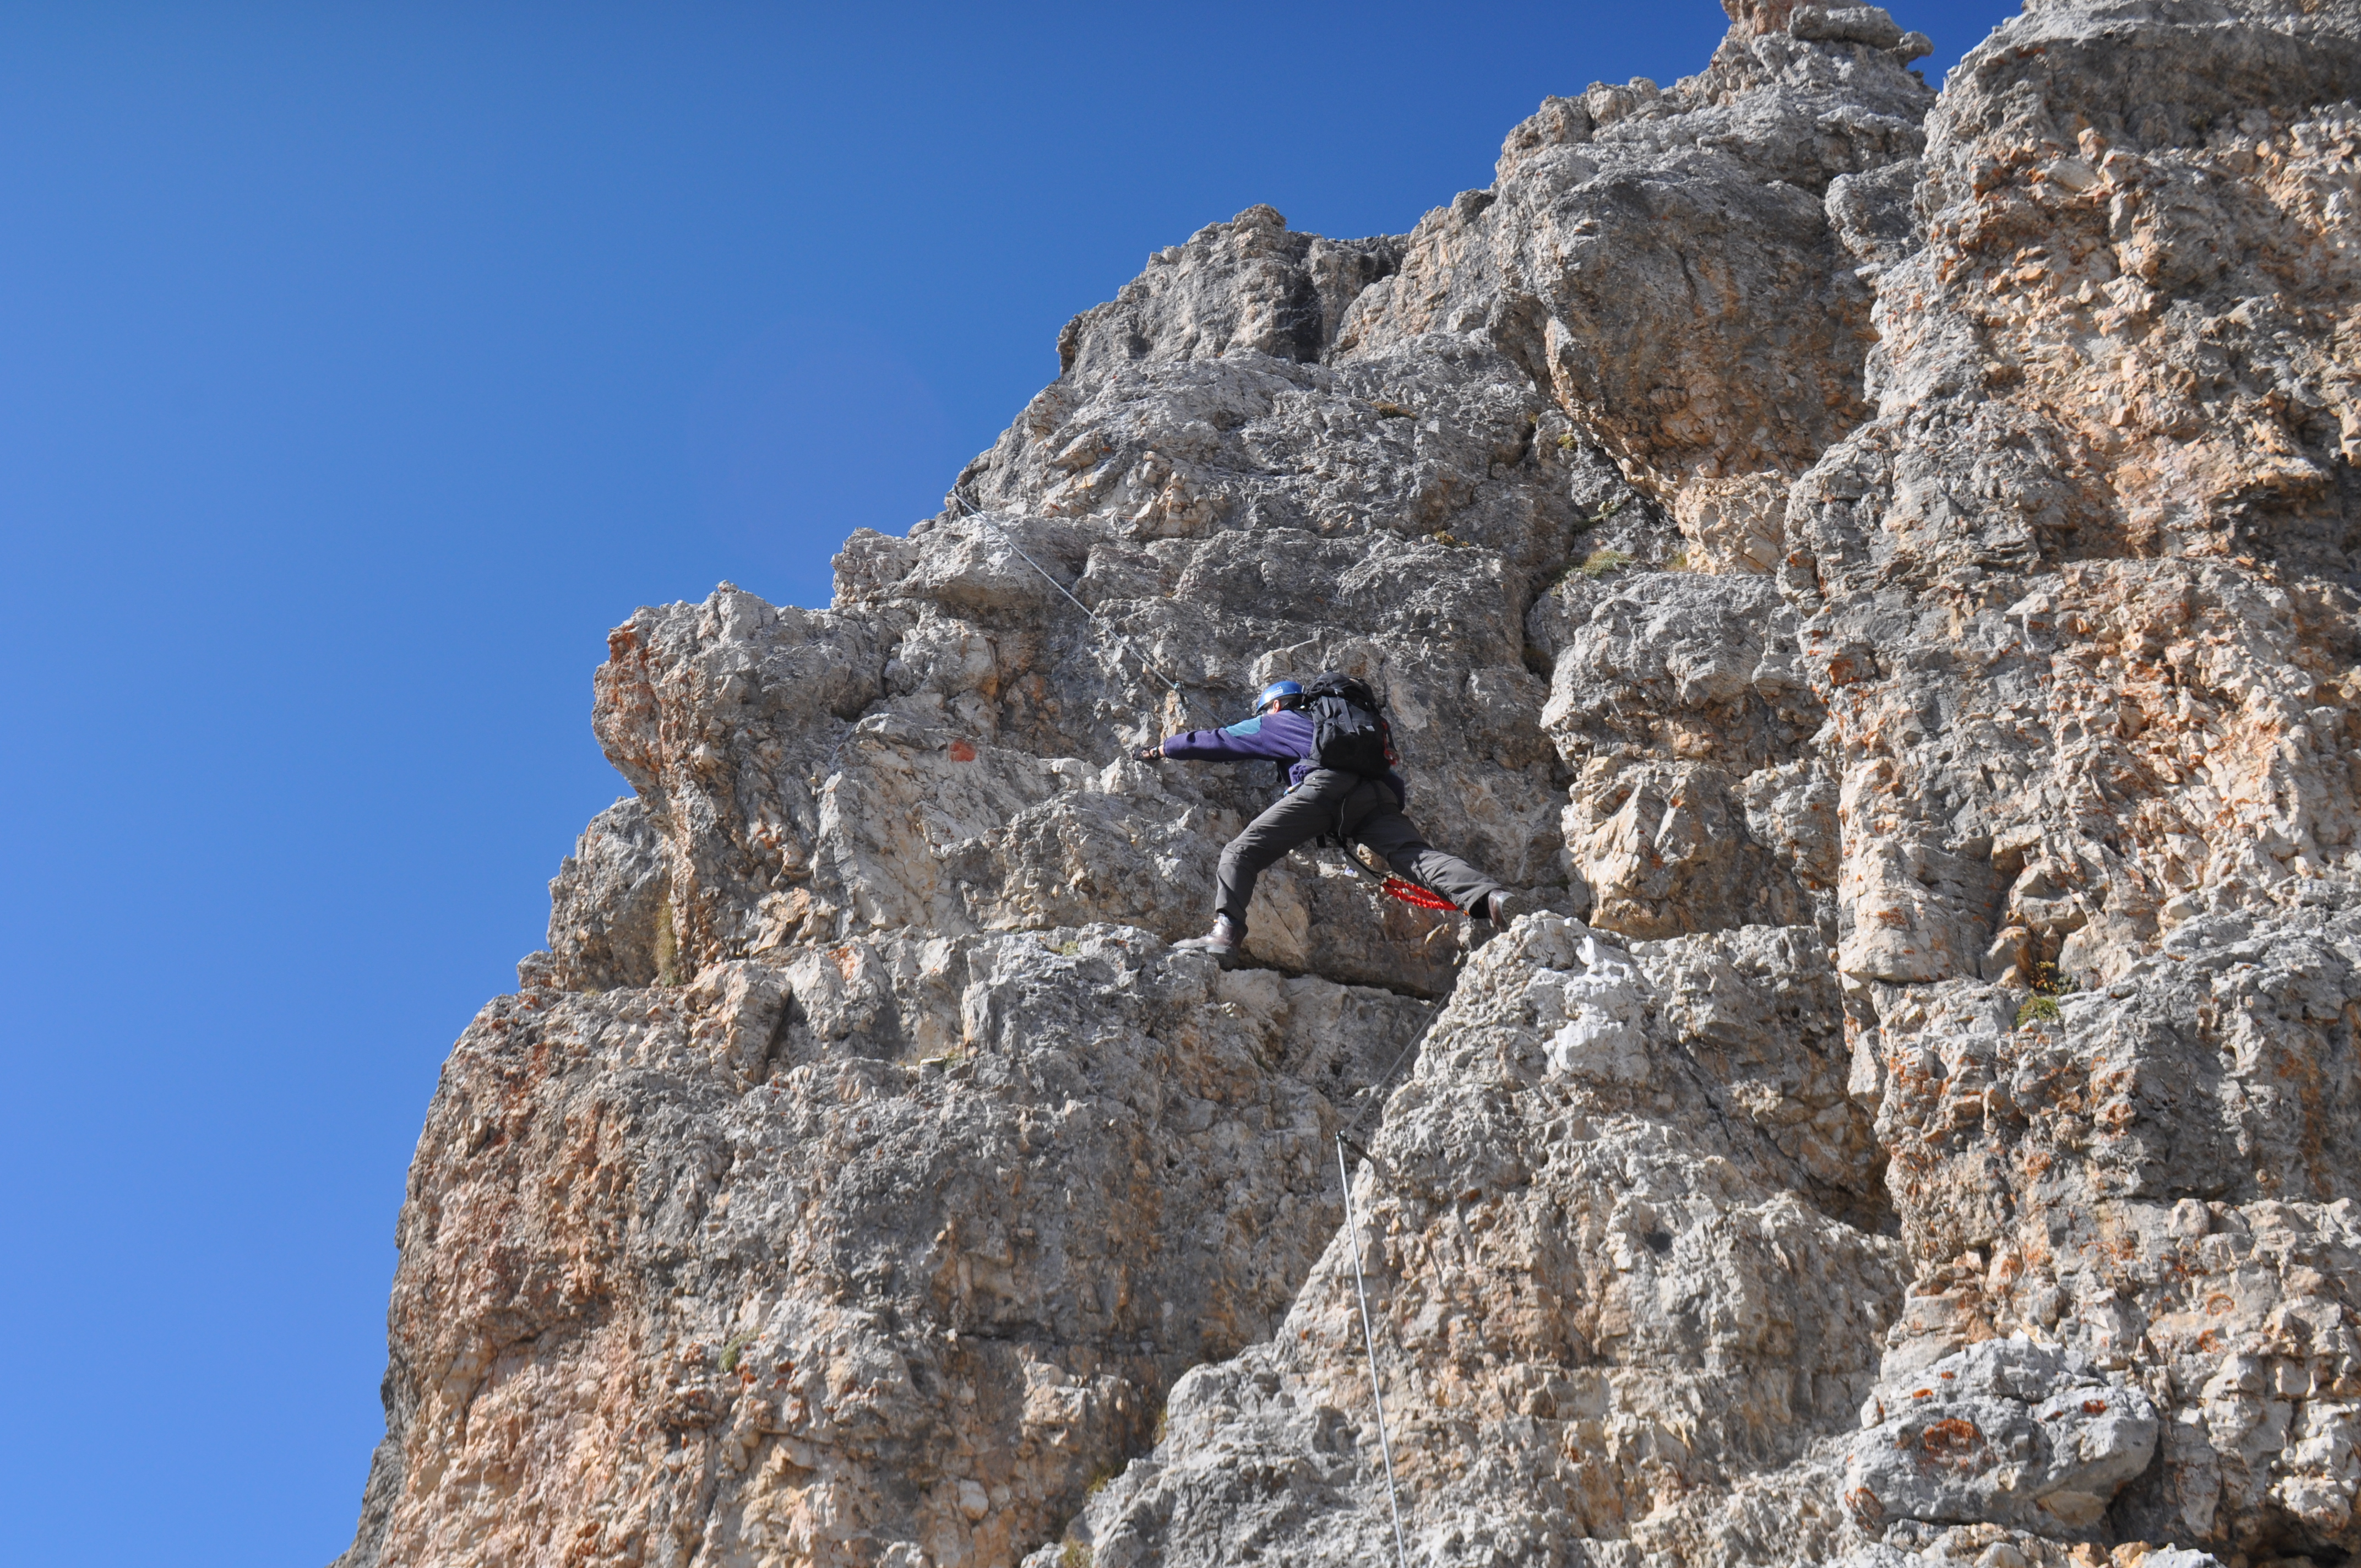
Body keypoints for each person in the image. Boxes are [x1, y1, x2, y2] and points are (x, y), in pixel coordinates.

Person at [1135, 674, 1528, 966]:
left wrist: (1163, 749)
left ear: (1274, 705)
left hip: (1325, 791)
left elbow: (1218, 740)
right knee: (1417, 857)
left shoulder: (1277, 721)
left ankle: (1225, 934)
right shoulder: (1349, 727)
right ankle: (1492, 898)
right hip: (1379, 795)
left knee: (1240, 853)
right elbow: (1394, 781)